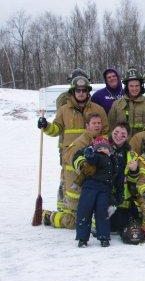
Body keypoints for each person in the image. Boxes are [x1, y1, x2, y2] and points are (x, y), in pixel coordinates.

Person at [38, 76, 108, 213]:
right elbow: (56, 129)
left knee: (88, 181)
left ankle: (87, 209)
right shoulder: (64, 110)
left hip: (92, 154)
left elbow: (106, 131)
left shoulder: (98, 109)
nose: (81, 93)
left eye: (84, 90)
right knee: (68, 182)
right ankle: (66, 210)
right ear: (73, 92)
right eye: (78, 90)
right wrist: (46, 126)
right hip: (69, 154)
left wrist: (99, 145)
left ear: (88, 92)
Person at [41, 113, 105, 228]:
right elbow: (69, 154)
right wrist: (82, 165)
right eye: (94, 123)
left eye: (99, 123)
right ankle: (49, 216)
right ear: (87, 126)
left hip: (93, 188)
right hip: (76, 188)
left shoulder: (102, 140)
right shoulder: (81, 141)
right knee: (74, 222)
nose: (97, 126)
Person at [73, 137, 124, 247]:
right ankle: (82, 238)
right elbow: (91, 158)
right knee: (84, 212)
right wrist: (89, 154)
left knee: (102, 214)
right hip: (90, 189)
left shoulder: (112, 159)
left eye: (105, 148)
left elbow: (116, 174)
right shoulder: (97, 157)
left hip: (104, 191)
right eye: (100, 148)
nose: (103, 150)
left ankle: (104, 237)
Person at [108, 67, 145, 136]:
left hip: (143, 145)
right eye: (131, 86)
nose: (134, 89)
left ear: (141, 86)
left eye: (137, 86)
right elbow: (111, 127)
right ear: (127, 87)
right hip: (122, 145)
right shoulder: (116, 104)